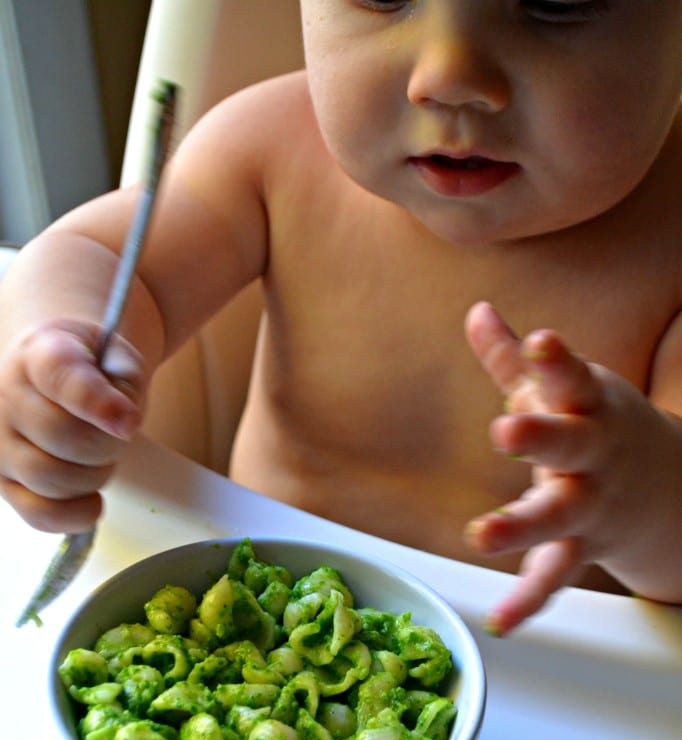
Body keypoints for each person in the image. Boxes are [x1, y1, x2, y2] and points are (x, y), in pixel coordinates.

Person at [0, 0, 681, 636]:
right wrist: (53, 353)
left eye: (555, 1)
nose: (449, 76)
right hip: (254, 633)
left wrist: (642, 491)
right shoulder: (270, 149)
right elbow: (102, 259)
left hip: (552, 683)